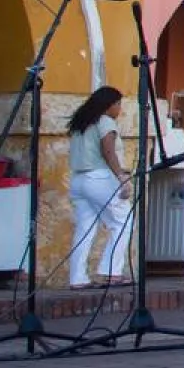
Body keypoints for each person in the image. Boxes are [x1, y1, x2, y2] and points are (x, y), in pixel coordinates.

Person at [66, 86, 132, 288]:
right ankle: (111, 272)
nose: (119, 109)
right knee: (122, 220)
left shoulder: (82, 123)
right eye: (118, 104)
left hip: (78, 180)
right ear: (109, 105)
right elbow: (108, 151)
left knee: (85, 228)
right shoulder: (105, 122)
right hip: (99, 178)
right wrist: (122, 176)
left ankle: (77, 278)